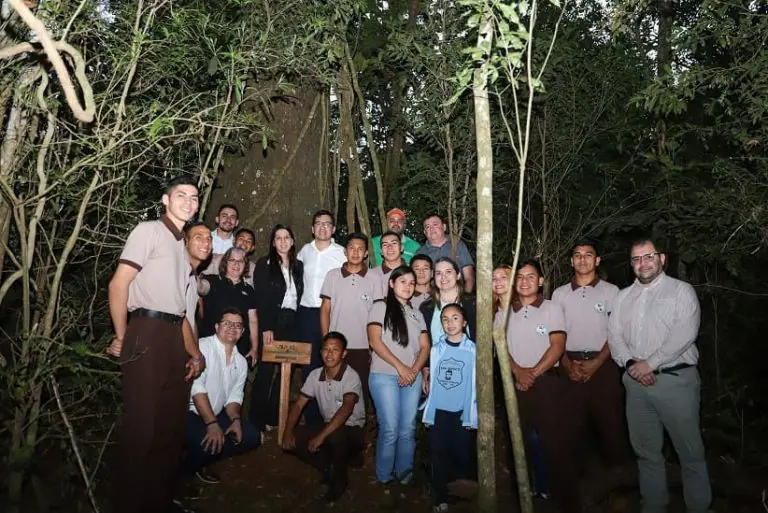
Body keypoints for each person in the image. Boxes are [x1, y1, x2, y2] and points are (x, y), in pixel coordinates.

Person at [106, 176, 205, 513]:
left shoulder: (181, 246)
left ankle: (157, 502)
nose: (189, 202)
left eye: (194, 197)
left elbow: (180, 311)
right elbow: (119, 285)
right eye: (181, 195)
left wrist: (192, 353)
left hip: (174, 337)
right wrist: (123, 336)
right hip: (147, 331)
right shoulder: (148, 231)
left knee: (170, 431)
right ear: (166, 199)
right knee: (142, 430)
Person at [608, 238, 711, 513]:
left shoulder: (681, 291)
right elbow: (614, 336)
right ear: (631, 264)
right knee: (646, 453)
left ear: (662, 259)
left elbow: (684, 333)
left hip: (675, 382)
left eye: (648, 256)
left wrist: (649, 364)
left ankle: (699, 507)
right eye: (636, 259)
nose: (643, 263)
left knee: (690, 453)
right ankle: (653, 506)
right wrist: (632, 364)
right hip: (635, 385)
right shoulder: (622, 297)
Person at [552, 240, 632, 497]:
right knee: (572, 430)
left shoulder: (612, 292)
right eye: (577, 255)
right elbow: (556, 334)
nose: (583, 259)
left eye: (588, 255)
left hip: (604, 366)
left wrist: (596, 363)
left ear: (597, 260)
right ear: (571, 261)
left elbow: (617, 333)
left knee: (611, 428)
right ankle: (577, 493)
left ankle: (618, 490)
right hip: (569, 365)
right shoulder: (560, 294)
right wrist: (566, 364)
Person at [500, 259, 580, 513]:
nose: (524, 282)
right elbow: (500, 348)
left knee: (554, 441)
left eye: (530, 276)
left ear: (541, 281)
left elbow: (557, 346)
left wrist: (532, 374)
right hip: (513, 384)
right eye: (520, 277)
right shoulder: (503, 312)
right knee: (518, 441)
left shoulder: (551, 308)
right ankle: (521, 496)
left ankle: (562, 499)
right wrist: (518, 372)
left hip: (546, 383)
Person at [281, 332, 366, 503]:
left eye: (335, 350)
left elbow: (346, 408)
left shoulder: (351, 376)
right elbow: (298, 405)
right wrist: (287, 432)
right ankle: (330, 468)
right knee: (296, 438)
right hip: (330, 426)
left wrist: (320, 437)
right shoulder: (315, 375)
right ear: (320, 352)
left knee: (334, 435)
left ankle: (339, 481)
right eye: (326, 349)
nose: (329, 354)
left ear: (344, 354)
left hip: (353, 429)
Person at [367, 266, 430, 486]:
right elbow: (375, 341)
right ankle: (384, 476)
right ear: (392, 283)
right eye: (403, 281)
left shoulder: (417, 313)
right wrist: (401, 367)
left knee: (408, 428)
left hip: (412, 377)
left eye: (412, 283)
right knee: (390, 428)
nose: (408, 286)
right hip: (384, 375)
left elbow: (425, 347)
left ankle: (405, 474)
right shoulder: (380, 307)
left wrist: (413, 370)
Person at [184, 308, 261, 485]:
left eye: (238, 325)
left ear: (242, 332)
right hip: (191, 413)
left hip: (217, 413)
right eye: (227, 323)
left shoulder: (241, 361)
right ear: (217, 327)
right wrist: (212, 424)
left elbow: (234, 397)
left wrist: (235, 420)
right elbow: (197, 388)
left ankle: (205, 456)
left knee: (251, 436)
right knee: (206, 440)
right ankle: (185, 469)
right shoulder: (202, 348)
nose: (232, 328)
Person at [421, 304, 477, 511]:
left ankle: (460, 496)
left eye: (455, 318)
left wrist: (471, 416)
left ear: (464, 322)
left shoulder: (473, 350)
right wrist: (428, 413)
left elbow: (474, 386)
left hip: (461, 412)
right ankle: (441, 497)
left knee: (461, 454)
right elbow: (433, 385)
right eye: (445, 319)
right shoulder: (436, 349)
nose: (450, 323)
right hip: (439, 412)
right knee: (439, 454)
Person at [251, 225, 304, 434]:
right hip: (273, 320)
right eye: (278, 238)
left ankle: (274, 416)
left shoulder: (298, 266)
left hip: (293, 321)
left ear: (292, 241)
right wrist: (267, 327)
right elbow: (261, 297)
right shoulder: (264, 264)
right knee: (266, 370)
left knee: (286, 370)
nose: (283, 241)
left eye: (286, 237)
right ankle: (256, 420)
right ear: (273, 242)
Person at [320, 232, 380, 409]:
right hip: (336, 345)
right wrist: (326, 340)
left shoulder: (374, 277)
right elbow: (325, 309)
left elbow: (378, 313)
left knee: (359, 392)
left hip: (364, 345)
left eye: (360, 249)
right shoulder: (332, 276)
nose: (356, 252)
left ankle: (359, 426)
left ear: (366, 253)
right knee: (334, 391)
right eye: (352, 248)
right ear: (345, 251)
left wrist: (375, 345)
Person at [297, 210, 347, 374]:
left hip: (332, 312)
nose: (322, 227)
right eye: (318, 224)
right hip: (306, 312)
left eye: (327, 224)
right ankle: (309, 390)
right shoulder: (305, 250)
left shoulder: (342, 253)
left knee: (331, 357)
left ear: (333, 229)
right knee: (308, 359)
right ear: (313, 229)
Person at [198, 247, 259, 362]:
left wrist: (255, 348)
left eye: (240, 261)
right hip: (210, 346)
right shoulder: (212, 280)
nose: (236, 264)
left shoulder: (249, 290)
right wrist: (194, 270)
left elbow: (253, 320)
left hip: (238, 348)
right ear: (225, 263)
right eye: (232, 260)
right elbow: (201, 288)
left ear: (245, 265)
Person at [420, 257, 477, 346]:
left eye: (448, 272)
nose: (443, 277)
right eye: (438, 273)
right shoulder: (426, 308)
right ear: (434, 277)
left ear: (458, 275)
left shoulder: (473, 303)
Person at [415, 214, 475, 293]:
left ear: (444, 227)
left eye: (435, 224)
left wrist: (465, 297)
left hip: (459, 293)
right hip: (433, 295)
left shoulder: (457, 244)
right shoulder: (421, 253)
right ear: (425, 232)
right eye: (427, 227)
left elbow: (469, 276)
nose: (431, 229)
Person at [184, 222, 213, 334]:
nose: (206, 243)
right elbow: (178, 320)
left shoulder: (193, 278)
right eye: (198, 237)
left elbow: (191, 321)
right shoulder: (178, 272)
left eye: (209, 239)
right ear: (186, 242)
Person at [369, 231, 406, 298]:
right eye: (385, 245)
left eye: (394, 243)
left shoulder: (413, 273)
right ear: (381, 251)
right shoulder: (371, 276)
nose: (389, 247)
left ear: (401, 248)